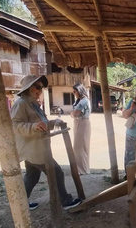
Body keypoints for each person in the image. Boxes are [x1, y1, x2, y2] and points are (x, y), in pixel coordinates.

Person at [11, 75, 82, 210]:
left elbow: (42, 124)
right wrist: (34, 127)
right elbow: (15, 125)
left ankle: (21, 204)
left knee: (32, 175)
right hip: (34, 149)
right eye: (37, 87)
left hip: (35, 149)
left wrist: (54, 122)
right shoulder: (21, 104)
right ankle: (65, 201)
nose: (40, 90)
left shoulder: (33, 104)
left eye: (41, 88)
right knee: (56, 172)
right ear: (28, 88)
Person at [71, 84, 91, 175]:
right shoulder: (81, 101)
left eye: (75, 91)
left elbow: (75, 113)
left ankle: (81, 169)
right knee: (81, 146)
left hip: (82, 123)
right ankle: (82, 168)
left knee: (79, 147)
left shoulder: (83, 101)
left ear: (79, 91)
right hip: (79, 122)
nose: (74, 93)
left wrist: (72, 114)